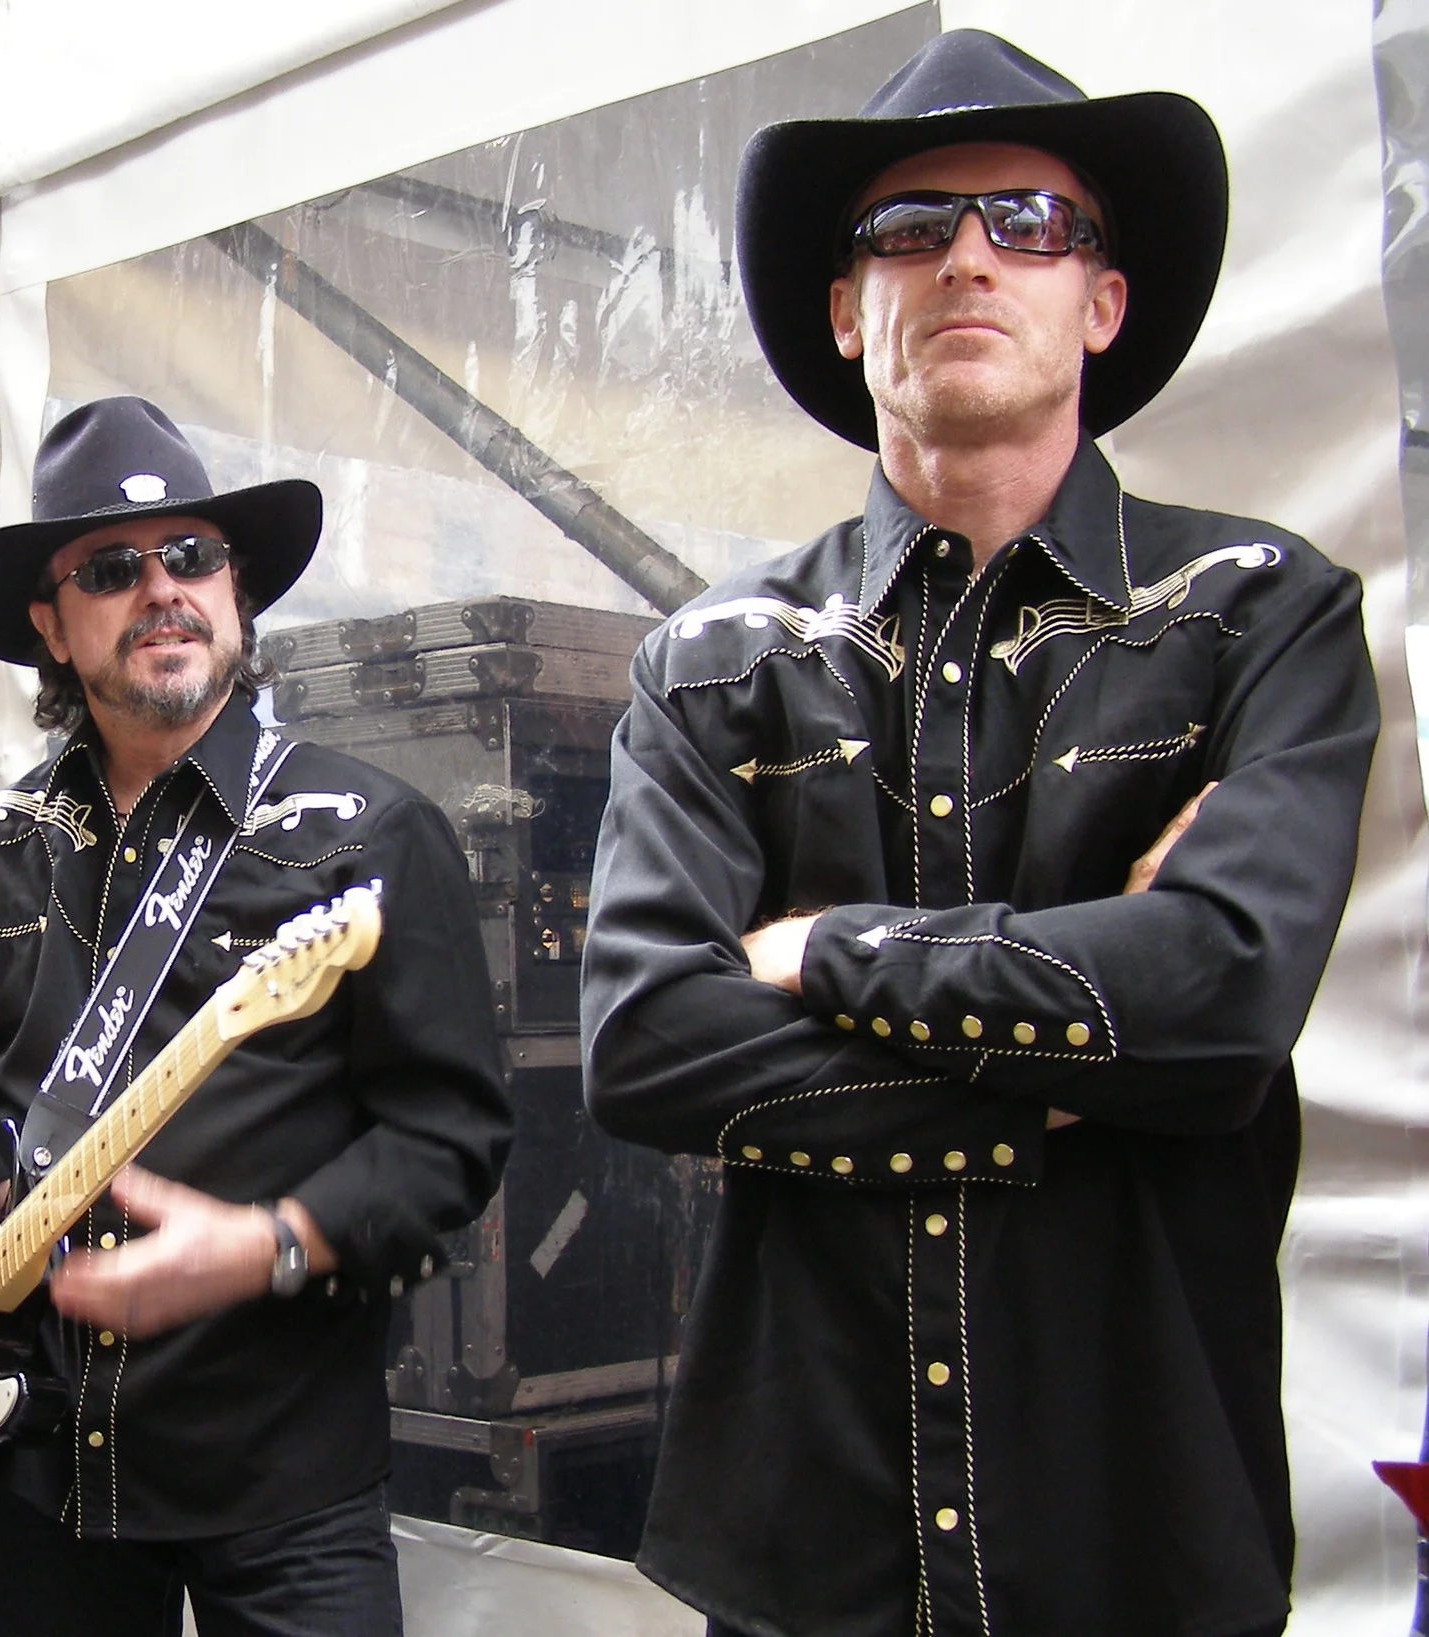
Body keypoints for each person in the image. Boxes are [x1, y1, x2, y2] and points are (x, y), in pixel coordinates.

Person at [580, 29, 1380, 1637]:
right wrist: (1072, 1064)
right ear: (842, 307)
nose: (964, 256)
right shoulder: (719, 659)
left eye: (1027, 221)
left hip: (1131, 1520)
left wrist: (826, 953)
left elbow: (1220, 1002)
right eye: (905, 228)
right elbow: (648, 1043)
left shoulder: (1253, 615)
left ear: (1102, 297)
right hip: (807, 1538)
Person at [0, 396, 512, 1635]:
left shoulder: (369, 835)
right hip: (33, 1452)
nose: (162, 587)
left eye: (193, 556)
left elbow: (453, 1138)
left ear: (235, 590)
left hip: (284, 1474)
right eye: (112, 569)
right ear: (51, 629)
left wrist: (273, 1237)